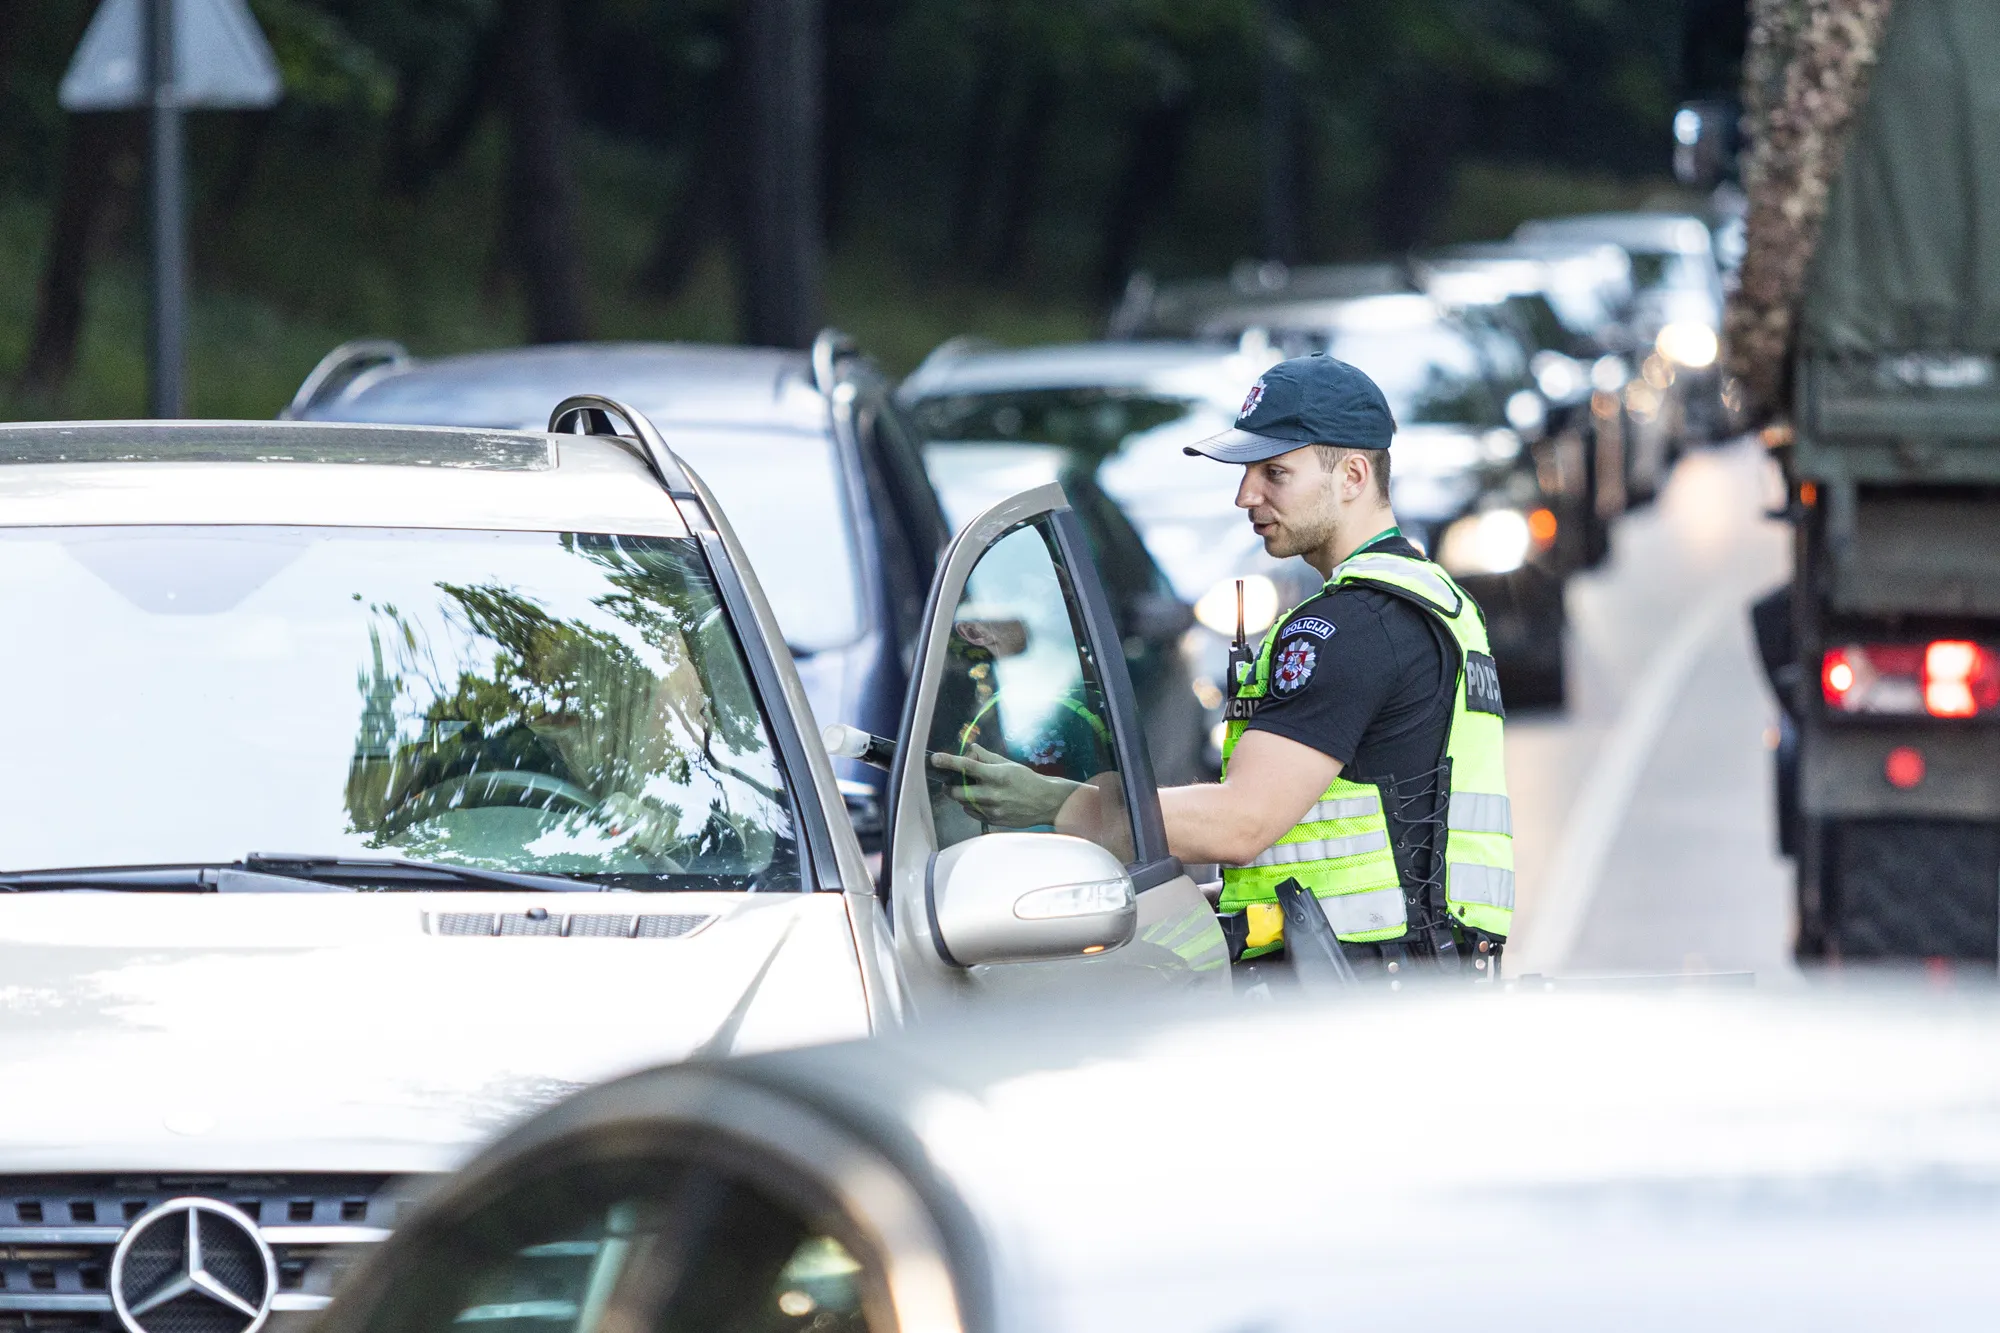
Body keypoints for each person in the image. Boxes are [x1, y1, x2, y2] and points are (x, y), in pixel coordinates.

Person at [933, 353, 1514, 976]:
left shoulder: (1354, 625)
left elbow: (1242, 822)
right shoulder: (1436, 601)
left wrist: (1056, 802)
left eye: (1274, 472)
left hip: (1360, 999)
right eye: (1245, 472)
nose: (1246, 495)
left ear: (1352, 475)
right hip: (1409, 977)